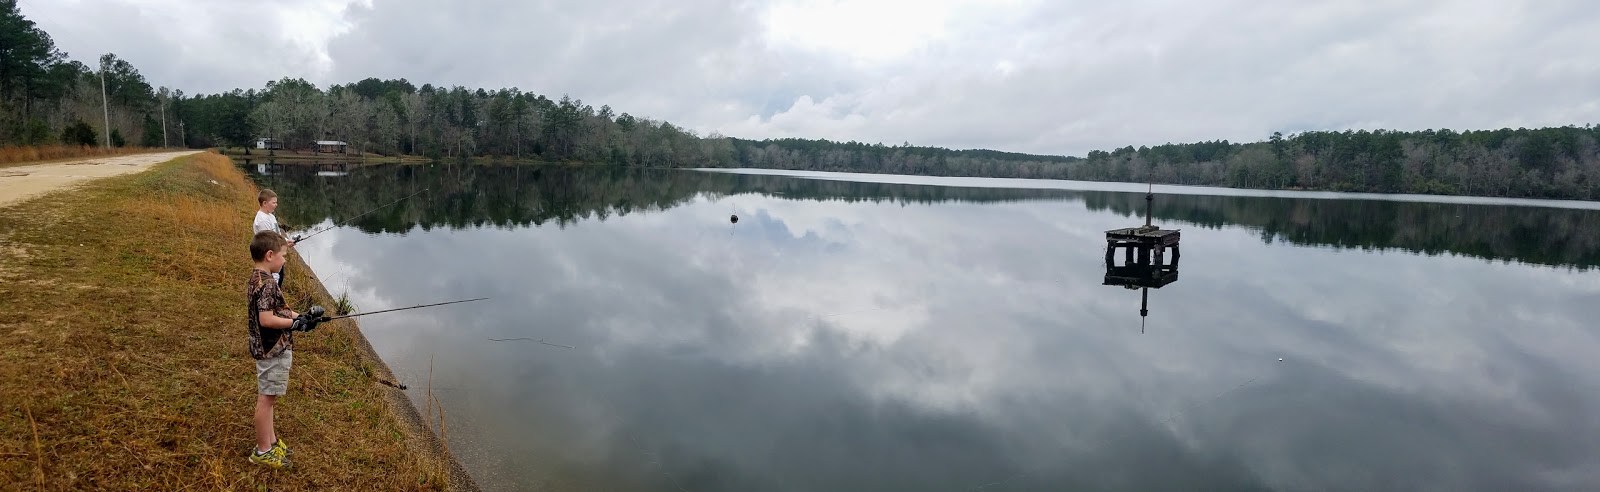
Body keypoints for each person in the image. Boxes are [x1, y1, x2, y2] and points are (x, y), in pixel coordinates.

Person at [246, 230, 323, 468]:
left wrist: (303, 317)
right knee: (266, 399)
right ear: (270, 255)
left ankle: (270, 442)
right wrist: (294, 324)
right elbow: (267, 319)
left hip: (268, 348)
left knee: (269, 398)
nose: (285, 260)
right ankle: (262, 451)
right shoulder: (268, 284)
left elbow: (280, 310)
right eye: (283, 256)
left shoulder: (259, 277)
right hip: (272, 349)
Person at [253, 189, 295, 286]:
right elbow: (269, 241)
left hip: (276, 253)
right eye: (274, 202)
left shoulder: (270, 216)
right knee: (272, 281)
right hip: (269, 257)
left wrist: (285, 241)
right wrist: (283, 245)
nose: (276, 205)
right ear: (265, 203)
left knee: (280, 277)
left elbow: (276, 234)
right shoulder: (262, 220)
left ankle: (276, 296)